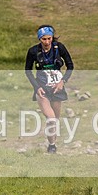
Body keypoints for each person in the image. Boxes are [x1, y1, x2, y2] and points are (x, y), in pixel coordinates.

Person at [24, 24, 74, 153]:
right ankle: (52, 146)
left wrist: (63, 82)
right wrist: (36, 87)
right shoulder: (33, 51)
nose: (47, 42)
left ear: (52, 37)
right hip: (42, 89)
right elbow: (28, 71)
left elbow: (70, 65)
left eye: (49, 39)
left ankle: (52, 143)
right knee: (51, 118)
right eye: (44, 39)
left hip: (57, 88)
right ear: (39, 39)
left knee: (55, 121)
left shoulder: (60, 48)